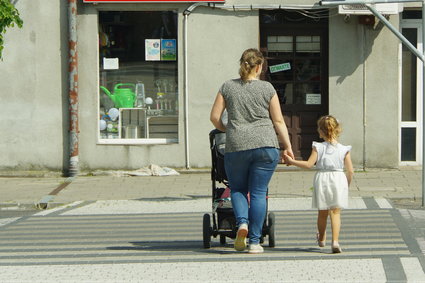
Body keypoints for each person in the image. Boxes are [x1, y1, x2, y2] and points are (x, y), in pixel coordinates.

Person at [210, 48, 294, 254]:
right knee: (258, 193)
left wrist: (228, 129)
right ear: (259, 67)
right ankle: (255, 242)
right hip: (266, 145)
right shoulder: (268, 88)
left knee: (238, 188)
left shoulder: (227, 87)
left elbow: (214, 117)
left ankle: (242, 225)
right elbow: (278, 120)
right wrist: (288, 146)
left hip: (237, 146)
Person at [283, 115, 354, 253]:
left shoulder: (318, 147)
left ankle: (321, 238)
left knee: (322, 212)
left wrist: (292, 162)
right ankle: (335, 242)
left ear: (321, 131)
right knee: (335, 212)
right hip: (338, 178)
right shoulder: (344, 149)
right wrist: (347, 185)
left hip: (322, 178)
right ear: (337, 130)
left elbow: (309, 164)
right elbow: (350, 171)